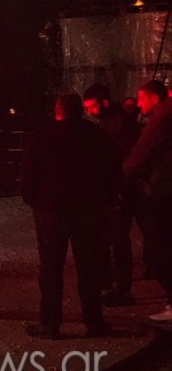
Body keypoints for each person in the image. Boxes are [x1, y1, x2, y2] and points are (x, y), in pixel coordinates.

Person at [19, 93, 121, 339]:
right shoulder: (96, 135)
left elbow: (29, 172)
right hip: (88, 211)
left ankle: (50, 323)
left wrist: (33, 199)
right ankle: (94, 322)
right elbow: (113, 170)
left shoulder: (44, 136)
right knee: (89, 268)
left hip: (51, 211)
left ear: (58, 111)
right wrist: (105, 201)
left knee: (51, 268)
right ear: (81, 110)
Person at [82, 84, 141, 306]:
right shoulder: (109, 123)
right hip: (109, 188)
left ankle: (123, 289)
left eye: (91, 106)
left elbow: (126, 158)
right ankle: (112, 281)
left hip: (119, 189)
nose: (89, 111)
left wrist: (118, 187)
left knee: (118, 239)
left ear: (104, 103)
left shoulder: (121, 124)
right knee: (109, 237)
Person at [123, 80, 172, 322]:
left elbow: (144, 151)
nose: (139, 102)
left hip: (164, 191)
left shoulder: (163, 115)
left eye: (142, 98)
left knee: (159, 250)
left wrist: (120, 178)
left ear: (154, 97)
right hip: (164, 187)